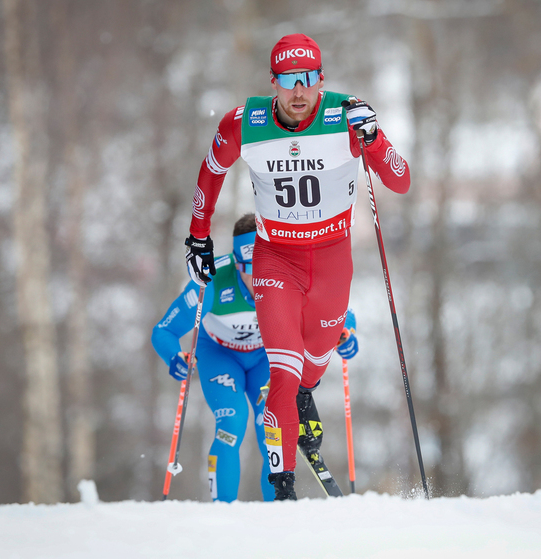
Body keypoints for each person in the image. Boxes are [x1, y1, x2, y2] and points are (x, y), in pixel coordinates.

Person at [183, 33, 409, 500]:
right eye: (289, 81)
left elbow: (400, 180)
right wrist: (197, 236)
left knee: (312, 364)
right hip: (275, 259)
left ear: (320, 79)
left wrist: (375, 138)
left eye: (307, 79)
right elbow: (211, 170)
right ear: (274, 83)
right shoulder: (245, 122)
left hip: (331, 261)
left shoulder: (347, 115)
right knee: (281, 372)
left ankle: (308, 391)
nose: (299, 91)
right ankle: (282, 488)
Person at [154, 212, 360, 502]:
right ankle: (222, 510)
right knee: (232, 422)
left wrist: (346, 333)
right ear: (237, 264)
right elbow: (163, 331)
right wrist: (175, 358)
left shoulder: (288, 270)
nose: (258, 277)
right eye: (249, 269)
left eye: (264, 267)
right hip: (220, 355)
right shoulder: (213, 278)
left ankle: (276, 513)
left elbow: (337, 309)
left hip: (266, 356)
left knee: (271, 428)